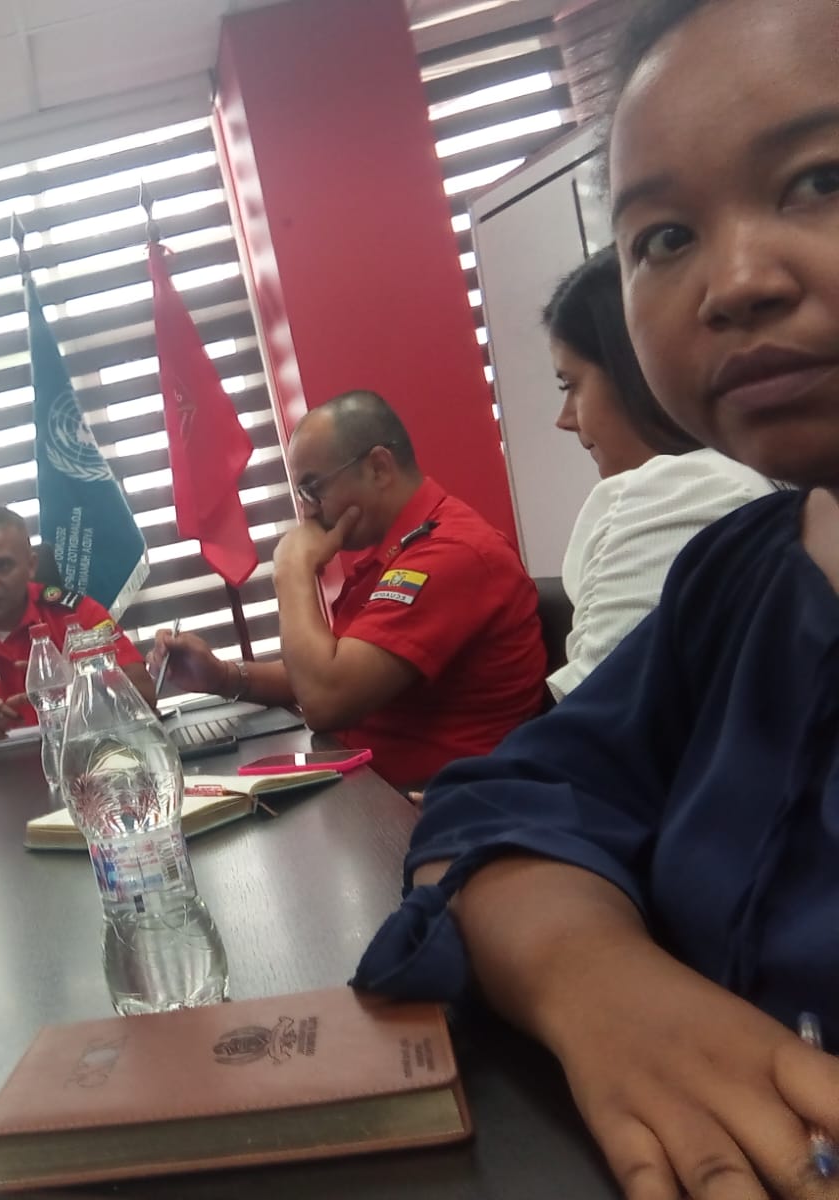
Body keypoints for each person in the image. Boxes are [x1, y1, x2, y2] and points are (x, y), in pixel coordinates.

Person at [352, 2, 839, 1196]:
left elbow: (334, 690)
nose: (732, 283)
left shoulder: (448, 550)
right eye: (662, 238)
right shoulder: (740, 576)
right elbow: (507, 800)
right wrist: (595, 981)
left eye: (820, 178)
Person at [151, 392, 545, 789]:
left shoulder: (451, 554)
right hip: (371, 791)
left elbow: (325, 699)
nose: (308, 511)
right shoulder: (398, 551)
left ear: (378, 468)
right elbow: (326, 669)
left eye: (313, 489)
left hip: (435, 806)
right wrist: (223, 677)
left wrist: (292, 569)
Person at [544, 245, 775, 698]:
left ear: (637, 367)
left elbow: (601, 720)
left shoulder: (689, 490)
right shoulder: (744, 480)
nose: (564, 419)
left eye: (571, 385)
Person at [0, 506, 154, 755]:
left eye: (2, 566)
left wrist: (76, 687)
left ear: (31, 565)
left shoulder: (75, 613)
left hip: (80, 763)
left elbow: (145, 694)